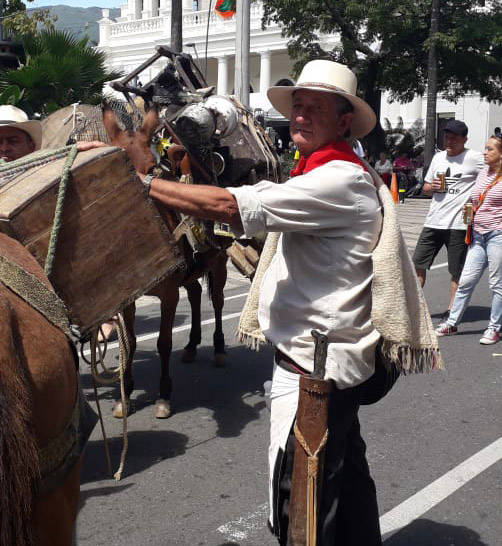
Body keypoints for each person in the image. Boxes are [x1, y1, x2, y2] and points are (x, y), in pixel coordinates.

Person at [134, 60, 439, 545]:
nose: (299, 116)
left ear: (343, 121)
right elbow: (253, 196)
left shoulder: (338, 180)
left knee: (302, 506)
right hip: (331, 364)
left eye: (314, 108)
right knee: (348, 484)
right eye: (297, 106)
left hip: (314, 373)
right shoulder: (322, 172)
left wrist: (141, 184)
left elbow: (231, 206)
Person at [412, 120, 484, 320]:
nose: (449, 141)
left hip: (459, 225)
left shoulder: (474, 158)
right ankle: (415, 307)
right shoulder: (438, 157)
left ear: (464, 140)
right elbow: (425, 189)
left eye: (454, 138)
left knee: (456, 270)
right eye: (446, 137)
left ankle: (452, 311)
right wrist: (432, 187)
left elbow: (495, 171)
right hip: (433, 221)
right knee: (418, 263)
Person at [435, 135, 502, 344]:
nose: (485, 152)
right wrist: (469, 215)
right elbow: (474, 199)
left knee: (496, 284)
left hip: (497, 236)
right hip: (478, 236)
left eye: (490, 149)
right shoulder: (483, 173)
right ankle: (452, 323)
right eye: (485, 148)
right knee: (465, 282)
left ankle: (494, 328)